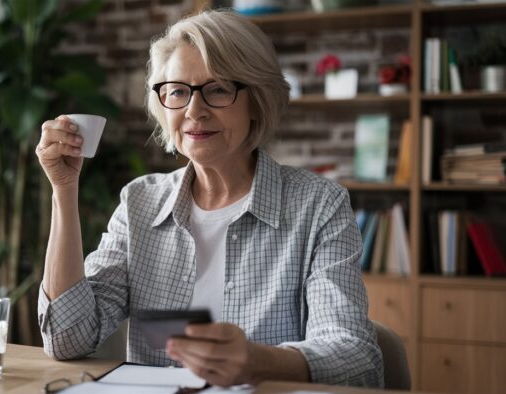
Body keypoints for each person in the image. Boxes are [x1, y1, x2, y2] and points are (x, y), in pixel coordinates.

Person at [35, 9, 383, 388]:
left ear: (257, 100)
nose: (194, 111)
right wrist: (64, 190)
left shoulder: (318, 206)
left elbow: (357, 358)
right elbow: (67, 338)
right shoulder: (139, 202)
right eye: (178, 92)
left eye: (217, 89)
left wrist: (257, 361)